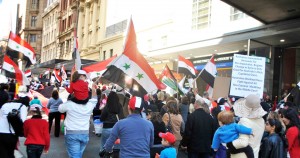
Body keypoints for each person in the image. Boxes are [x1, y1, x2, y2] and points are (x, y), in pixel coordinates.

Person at [58, 81, 98, 158]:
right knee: (77, 154)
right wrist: (93, 88)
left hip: (71, 133)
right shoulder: (90, 105)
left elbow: (60, 109)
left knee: (74, 155)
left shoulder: (69, 104)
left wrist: (68, 92)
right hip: (84, 134)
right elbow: (94, 99)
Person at [0, 87, 27, 157]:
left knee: (3, 153)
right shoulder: (22, 106)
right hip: (12, 134)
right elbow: (23, 121)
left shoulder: (3, 106)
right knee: (10, 152)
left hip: (1, 132)